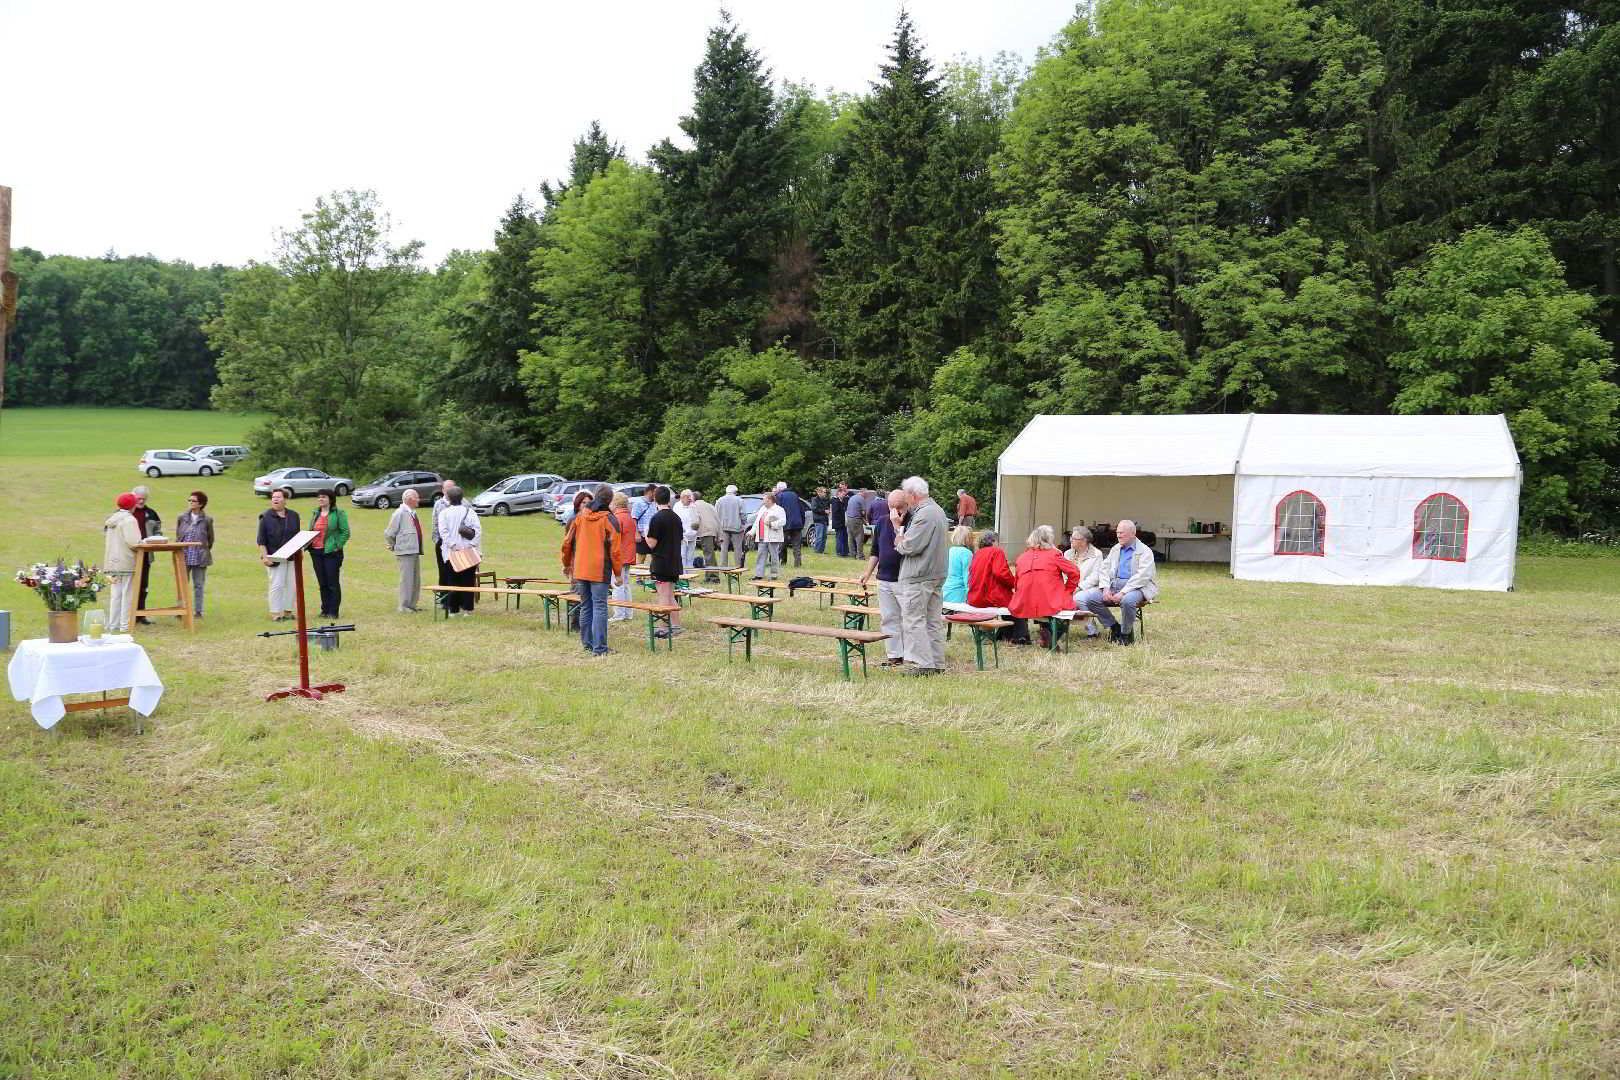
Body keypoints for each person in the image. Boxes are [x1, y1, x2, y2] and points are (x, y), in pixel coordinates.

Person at [891, 476, 949, 676]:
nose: (906, 500)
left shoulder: (925, 514)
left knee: (914, 619)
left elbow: (909, 546)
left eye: (906, 495)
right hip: (934, 574)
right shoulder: (938, 511)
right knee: (932, 620)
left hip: (920, 575)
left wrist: (898, 531)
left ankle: (923, 664)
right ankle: (936, 662)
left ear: (913, 495)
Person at [562, 483, 622, 656]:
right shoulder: (610, 520)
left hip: (581, 569)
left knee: (586, 606)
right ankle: (600, 647)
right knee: (600, 607)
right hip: (599, 570)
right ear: (609, 500)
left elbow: (567, 543)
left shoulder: (580, 517)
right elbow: (616, 551)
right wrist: (618, 574)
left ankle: (588, 644)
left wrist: (567, 564)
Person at [1081, 518, 1158, 645]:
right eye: (1117, 532)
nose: (1118, 535)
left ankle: (1125, 634)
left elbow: (1142, 577)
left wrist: (1122, 593)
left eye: (1122, 532)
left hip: (1137, 587)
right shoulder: (1116, 548)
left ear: (1133, 534)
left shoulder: (1145, 551)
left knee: (1127, 601)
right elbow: (1104, 569)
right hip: (1114, 585)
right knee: (1088, 599)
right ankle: (1114, 626)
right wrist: (1105, 588)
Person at [1010, 525, 1084, 647]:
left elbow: (1017, 582)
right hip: (1049, 602)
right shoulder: (1054, 555)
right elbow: (1074, 572)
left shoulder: (1021, 558)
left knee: (1045, 604)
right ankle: (1052, 635)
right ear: (1049, 540)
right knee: (1070, 607)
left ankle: (1045, 634)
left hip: (1025, 603)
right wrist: (1068, 591)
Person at [858, 490, 909, 667]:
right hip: (884, 577)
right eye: (891, 507)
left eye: (899, 507)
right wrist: (867, 572)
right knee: (889, 617)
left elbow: (908, 547)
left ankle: (911, 654)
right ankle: (894, 655)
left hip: (904, 578)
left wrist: (898, 525)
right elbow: (875, 551)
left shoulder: (912, 522)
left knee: (908, 618)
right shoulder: (881, 522)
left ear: (906, 505)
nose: (895, 511)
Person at [967, 531, 1027, 643]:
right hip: (990, 596)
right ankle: (1020, 637)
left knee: (1010, 603)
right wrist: (1014, 583)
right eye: (998, 541)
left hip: (976, 596)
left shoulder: (977, 553)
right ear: (993, 541)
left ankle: (1004, 634)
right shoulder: (996, 551)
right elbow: (1001, 573)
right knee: (1017, 603)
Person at [643, 486, 685, 637]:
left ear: (655, 499)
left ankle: (664, 627)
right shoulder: (676, 517)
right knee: (670, 594)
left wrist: (645, 534)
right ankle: (675, 625)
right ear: (669, 499)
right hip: (674, 561)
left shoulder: (657, 518)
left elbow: (651, 544)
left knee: (664, 596)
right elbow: (680, 538)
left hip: (661, 562)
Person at [436, 485, 482, 616]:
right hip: (468, 552)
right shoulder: (470, 512)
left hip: (451, 552)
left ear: (449, 499)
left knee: (452, 581)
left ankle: (452, 609)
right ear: (462, 498)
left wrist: (453, 545)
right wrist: (470, 545)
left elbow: (443, 533)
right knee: (468, 580)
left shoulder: (444, 513)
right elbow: (477, 531)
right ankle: (467, 609)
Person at [256, 489, 301, 621]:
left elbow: (297, 537)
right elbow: (261, 540)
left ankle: (288, 611)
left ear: (285, 499)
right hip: (274, 556)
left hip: (292, 556)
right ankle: (276, 613)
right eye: (273, 497)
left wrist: (300, 554)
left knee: (292, 584)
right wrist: (264, 556)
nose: (275, 499)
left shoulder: (294, 515)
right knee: (277, 584)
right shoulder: (265, 517)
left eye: (278, 497)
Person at [307, 488, 351, 619]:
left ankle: (333, 611)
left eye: (324, 497)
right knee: (322, 583)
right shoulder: (315, 513)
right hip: (316, 552)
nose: (321, 499)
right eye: (319, 497)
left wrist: (337, 546)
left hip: (331, 552)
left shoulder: (338, 513)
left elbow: (345, 532)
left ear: (330, 499)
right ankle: (324, 610)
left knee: (332, 583)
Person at [102, 493, 142, 631]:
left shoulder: (112, 519)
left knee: (115, 594)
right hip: (126, 561)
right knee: (127, 593)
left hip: (111, 562)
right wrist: (143, 542)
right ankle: (124, 625)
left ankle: (113, 625)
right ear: (132, 505)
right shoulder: (129, 520)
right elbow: (133, 542)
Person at [174, 491, 215, 619]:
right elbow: (178, 536)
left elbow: (210, 539)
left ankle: (198, 612)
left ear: (201, 504)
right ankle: (181, 610)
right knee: (182, 584)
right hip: (184, 555)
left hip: (200, 556)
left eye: (194, 501)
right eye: (189, 500)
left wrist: (203, 551)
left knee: (198, 585)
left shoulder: (207, 520)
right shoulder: (182, 517)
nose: (191, 503)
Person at [383, 488, 425, 613]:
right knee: (406, 579)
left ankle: (412, 605)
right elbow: (389, 533)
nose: (419, 499)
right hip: (405, 551)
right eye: (417, 497)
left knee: (415, 580)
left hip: (414, 550)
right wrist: (394, 545)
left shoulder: (412, 512)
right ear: (410, 499)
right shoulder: (399, 513)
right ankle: (404, 606)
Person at [1064, 526, 1106, 638]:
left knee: (1077, 598)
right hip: (1070, 587)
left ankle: (1092, 631)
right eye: (1071, 538)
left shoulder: (1097, 554)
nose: (1070, 540)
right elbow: (1064, 574)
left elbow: (1095, 577)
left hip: (1090, 588)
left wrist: (1079, 587)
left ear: (1083, 541)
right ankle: (1057, 629)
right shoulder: (1067, 554)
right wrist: (1066, 588)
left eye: (1073, 538)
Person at [130, 485, 162, 623]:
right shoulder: (126, 513)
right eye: (139, 498)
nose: (141, 501)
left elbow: (158, 531)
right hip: (129, 555)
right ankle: (127, 616)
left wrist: (157, 538)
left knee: (143, 585)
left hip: (146, 555)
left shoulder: (152, 513)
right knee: (129, 585)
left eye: (144, 498)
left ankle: (140, 615)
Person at [609, 491, 637, 621]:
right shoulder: (630, 517)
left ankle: (619, 614)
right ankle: (628, 613)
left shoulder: (616, 518)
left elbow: (613, 540)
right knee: (625, 585)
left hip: (619, 556)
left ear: (615, 503)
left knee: (617, 585)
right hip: (628, 555)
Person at [750, 490, 787, 580]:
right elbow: (757, 522)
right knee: (760, 555)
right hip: (762, 536)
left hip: (772, 536)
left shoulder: (779, 509)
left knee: (774, 556)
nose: (763, 501)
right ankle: (759, 575)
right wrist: (752, 532)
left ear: (770, 500)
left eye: (764, 500)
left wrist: (772, 524)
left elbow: (783, 521)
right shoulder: (763, 509)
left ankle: (774, 575)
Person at [430, 478, 455, 608]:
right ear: (443, 490)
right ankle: (444, 600)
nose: (450, 491)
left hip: (457, 544)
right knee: (443, 572)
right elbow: (434, 523)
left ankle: (456, 599)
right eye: (447, 488)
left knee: (456, 571)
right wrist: (437, 541)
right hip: (442, 543)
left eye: (452, 488)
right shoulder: (438, 504)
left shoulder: (462, 503)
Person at [775, 482, 805, 568]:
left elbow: (777, 511)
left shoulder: (779, 496)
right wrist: (802, 522)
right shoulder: (795, 495)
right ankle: (797, 564)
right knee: (796, 545)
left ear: (779, 489)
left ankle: (779, 562)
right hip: (797, 524)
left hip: (785, 524)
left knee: (781, 544)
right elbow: (801, 510)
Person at [714, 485, 746, 568]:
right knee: (738, 548)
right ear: (735, 492)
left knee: (723, 548)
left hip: (723, 527)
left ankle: (723, 566)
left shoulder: (719, 500)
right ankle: (738, 566)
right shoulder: (739, 500)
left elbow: (716, 514)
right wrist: (744, 523)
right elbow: (743, 514)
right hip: (737, 527)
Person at [943, 525, 974, 604]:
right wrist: (970, 596)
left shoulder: (949, 551)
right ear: (968, 538)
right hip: (959, 594)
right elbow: (968, 577)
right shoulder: (967, 553)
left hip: (945, 591)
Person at [630, 486, 661, 565]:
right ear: (650, 492)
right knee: (640, 560)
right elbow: (634, 519)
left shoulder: (655, 503)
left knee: (654, 560)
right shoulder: (638, 503)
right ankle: (639, 577)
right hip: (642, 536)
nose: (657, 495)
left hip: (653, 535)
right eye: (655, 492)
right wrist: (636, 533)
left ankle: (652, 576)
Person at [691, 490, 720, 567]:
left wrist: (692, 528)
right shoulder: (709, 505)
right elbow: (717, 518)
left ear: (693, 498)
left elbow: (696, 522)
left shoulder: (695, 506)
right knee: (711, 554)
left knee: (708, 555)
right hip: (713, 530)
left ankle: (712, 577)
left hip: (705, 531)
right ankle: (713, 575)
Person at [845, 488, 871, 561]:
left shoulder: (852, 498)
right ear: (863, 493)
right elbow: (863, 512)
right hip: (856, 520)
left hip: (849, 519)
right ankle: (860, 556)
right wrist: (866, 521)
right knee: (859, 537)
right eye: (866, 495)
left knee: (850, 538)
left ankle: (852, 554)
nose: (866, 497)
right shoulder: (861, 499)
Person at [675, 490, 698, 568]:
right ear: (682, 498)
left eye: (690, 497)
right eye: (687, 497)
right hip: (682, 535)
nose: (689, 499)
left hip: (693, 535)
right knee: (682, 555)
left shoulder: (694, 506)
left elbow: (697, 519)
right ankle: (683, 574)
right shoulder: (677, 506)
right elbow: (675, 520)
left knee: (690, 556)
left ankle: (690, 575)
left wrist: (695, 530)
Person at [809, 487, 831, 554]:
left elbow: (827, 507)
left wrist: (828, 510)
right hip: (818, 520)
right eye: (824, 492)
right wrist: (824, 511)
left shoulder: (826, 499)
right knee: (819, 536)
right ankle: (817, 551)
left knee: (824, 536)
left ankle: (821, 550)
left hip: (825, 520)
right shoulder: (814, 500)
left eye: (825, 492)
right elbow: (814, 509)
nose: (825, 493)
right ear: (819, 492)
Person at [831, 482, 851, 558]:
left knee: (845, 537)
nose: (844, 495)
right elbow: (836, 512)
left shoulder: (842, 501)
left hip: (843, 523)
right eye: (842, 494)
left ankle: (845, 552)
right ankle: (839, 552)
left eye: (844, 494)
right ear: (838, 494)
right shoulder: (836, 501)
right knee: (839, 537)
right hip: (838, 523)